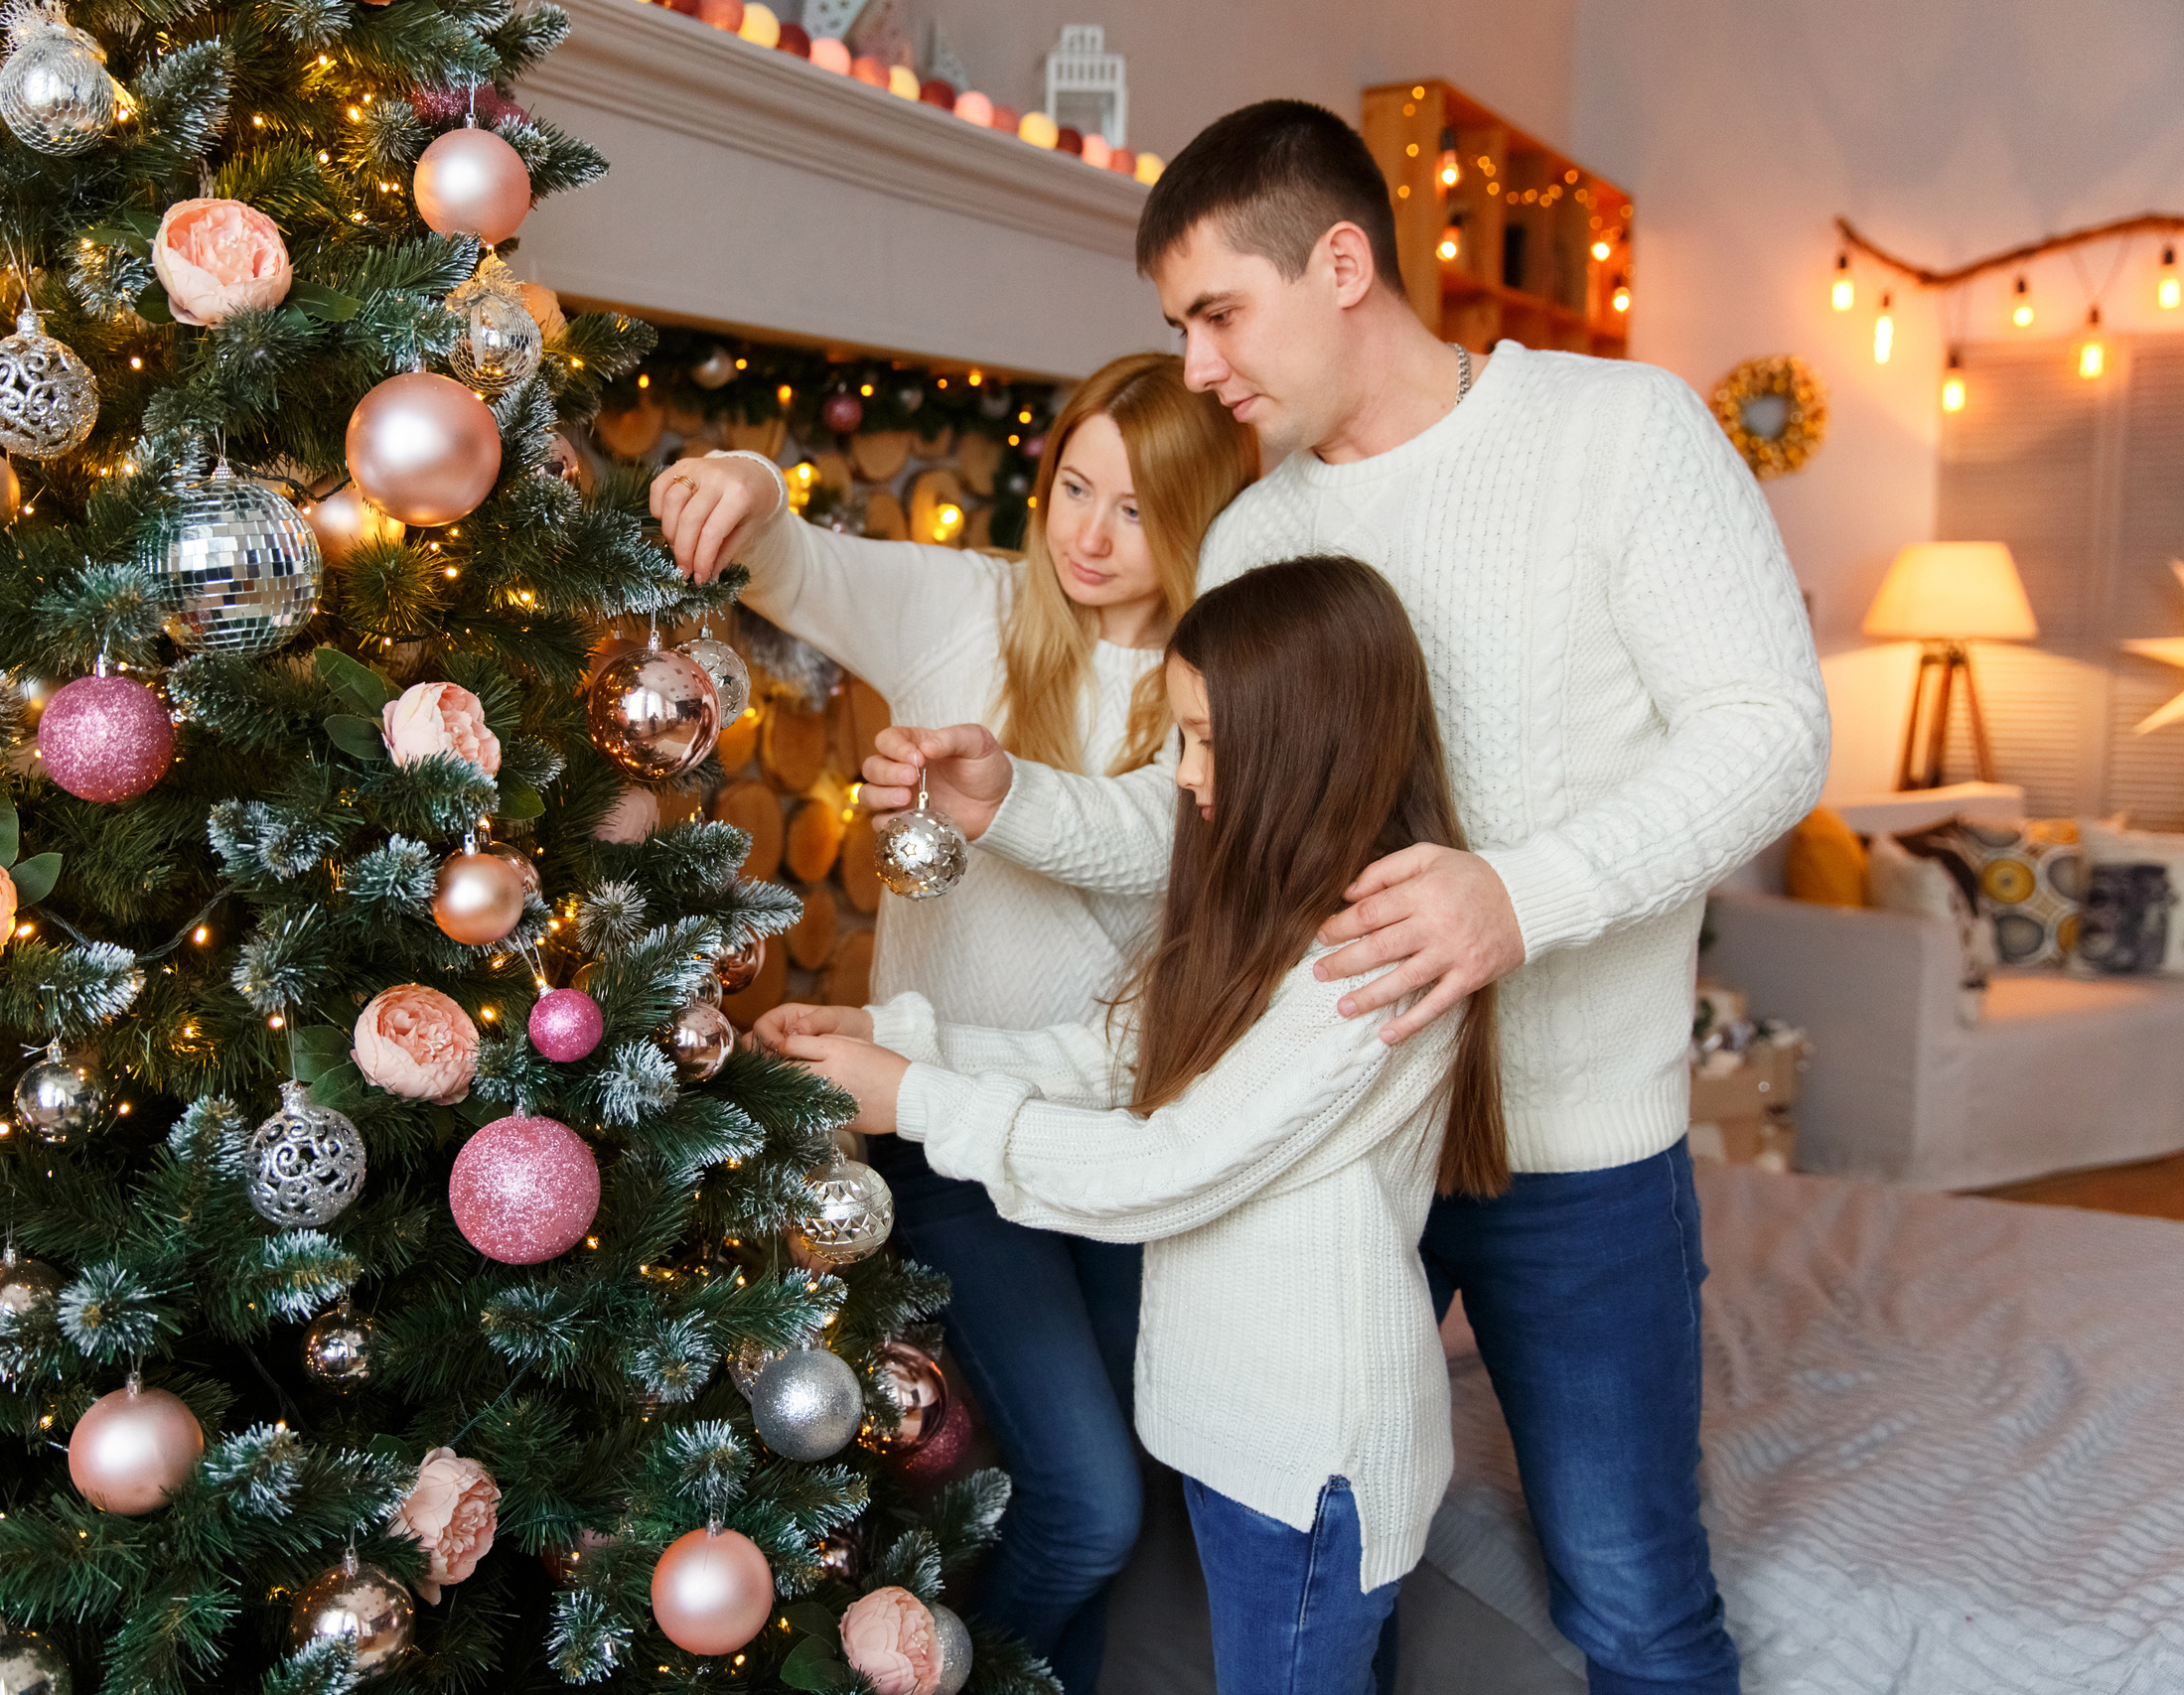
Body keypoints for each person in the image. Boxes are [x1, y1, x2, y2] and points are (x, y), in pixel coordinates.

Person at [855, 102, 1829, 1694]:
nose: (1196, 365)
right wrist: (1007, 798)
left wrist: (1519, 894)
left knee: (1634, 1592)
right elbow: (1212, 832)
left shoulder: (1621, 431)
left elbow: (1772, 733)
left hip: (1570, 1156)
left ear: (1344, 261)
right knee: (1319, 1542)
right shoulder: (1256, 529)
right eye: (1176, 324)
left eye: (1218, 312)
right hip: (1320, 1153)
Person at [757, 556, 1510, 1695]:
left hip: (1311, 1455)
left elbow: (1171, 1165)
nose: (1184, 780)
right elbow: (1112, 1061)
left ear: (1305, 745)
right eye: (1179, 740)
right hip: (1232, 1426)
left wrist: (914, 1099)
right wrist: (894, 1034)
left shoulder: (1371, 964)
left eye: (1204, 743)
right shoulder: (1264, 905)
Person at [650, 353, 1256, 1691]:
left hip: (1103, 1144)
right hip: (940, 1131)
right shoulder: (968, 610)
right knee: (1090, 1500)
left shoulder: (1223, 696)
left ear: (1205, 516)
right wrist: (744, 479)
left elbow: (1159, 845)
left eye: (1138, 508)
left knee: (1108, 1492)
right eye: (1074, 487)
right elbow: (791, 556)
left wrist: (1005, 796)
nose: (1088, 534)